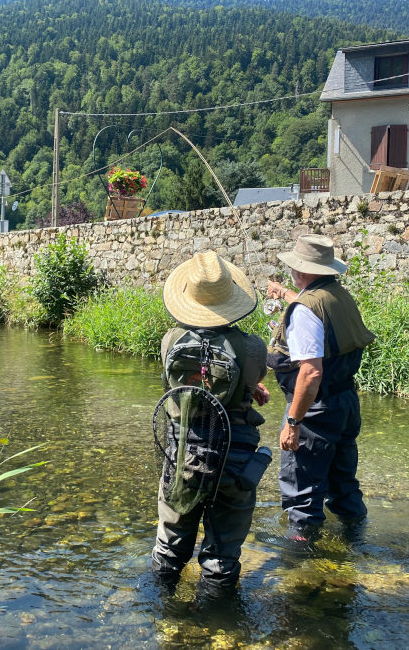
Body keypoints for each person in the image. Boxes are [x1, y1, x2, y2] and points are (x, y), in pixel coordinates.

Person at [151, 250, 271, 588]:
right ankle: (220, 615)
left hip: (183, 456)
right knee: (222, 559)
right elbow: (251, 378)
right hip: (234, 458)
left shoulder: (170, 340)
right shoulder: (253, 347)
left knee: (169, 548)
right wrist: (251, 387)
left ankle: (162, 612)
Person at [266, 234, 375, 543]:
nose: (291, 270)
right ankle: (357, 544)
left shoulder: (305, 310)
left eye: (293, 266)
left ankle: (299, 562)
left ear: (302, 270)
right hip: (345, 403)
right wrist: (284, 293)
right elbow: (311, 307)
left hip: (315, 411)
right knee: (343, 485)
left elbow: (311, 373)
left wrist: (293, 423)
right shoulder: (337, 295)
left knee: (301, 493)